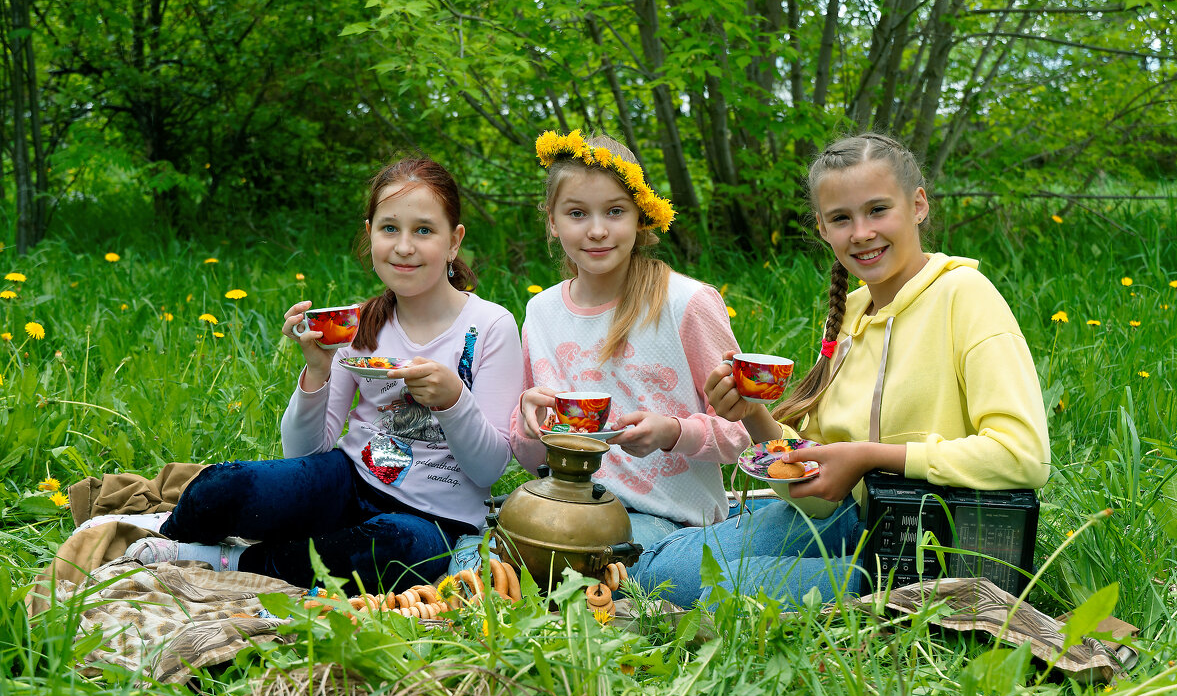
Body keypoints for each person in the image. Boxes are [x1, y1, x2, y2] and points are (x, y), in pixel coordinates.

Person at [633, 132, 1051, 607]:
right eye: (840, 218)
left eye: (878, 210)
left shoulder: (965, 296)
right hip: (844, 519)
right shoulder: (850, 313)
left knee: (673, 579)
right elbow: (816, 477)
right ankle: (849, 586)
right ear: (821, 227)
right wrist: (751, 413)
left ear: (918, 205)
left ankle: (901, 594)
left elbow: (1024, 455)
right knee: (663, 568)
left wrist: (871, 457)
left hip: (927, 536)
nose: (861, 233)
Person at [125, 158, 523, 594]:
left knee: (393, 550)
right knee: (223, 486)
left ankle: (229, 560)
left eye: (424, 230)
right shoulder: (359, 323)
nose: (404, 246)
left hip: (433, 518)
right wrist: (318, 368)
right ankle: (167, 530)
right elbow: (304, 451)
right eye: (390, 229)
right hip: (351, 479)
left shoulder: (490, 326)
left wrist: (452, 400)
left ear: (454, 242)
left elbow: (488, 470)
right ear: (370, 233)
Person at [509, 129, 751, 557]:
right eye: (577, 213)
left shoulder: (686, 303)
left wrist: (673, 432)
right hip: (567, 510)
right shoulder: (542, 313)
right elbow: (533, 459)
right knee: (473, 556)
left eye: (615, 211)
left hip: (671, 521)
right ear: (552, 220)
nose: (597, 230)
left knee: (598, 568)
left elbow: (742, 433)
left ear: (640, 217)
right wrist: (530, 425)